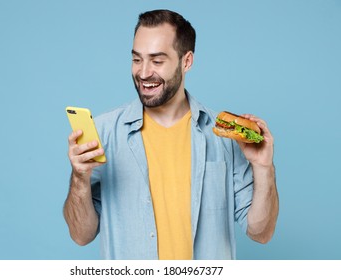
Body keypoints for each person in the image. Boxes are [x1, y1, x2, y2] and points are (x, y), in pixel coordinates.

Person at [64, 9, 279, 260]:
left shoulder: (225, 138)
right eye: (136, 59)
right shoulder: (103, 133)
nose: (144, 73)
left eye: (157, 61)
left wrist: (264, 167)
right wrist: (79, 178)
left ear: (186, 61)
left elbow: (261, 233)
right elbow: (81, 235)